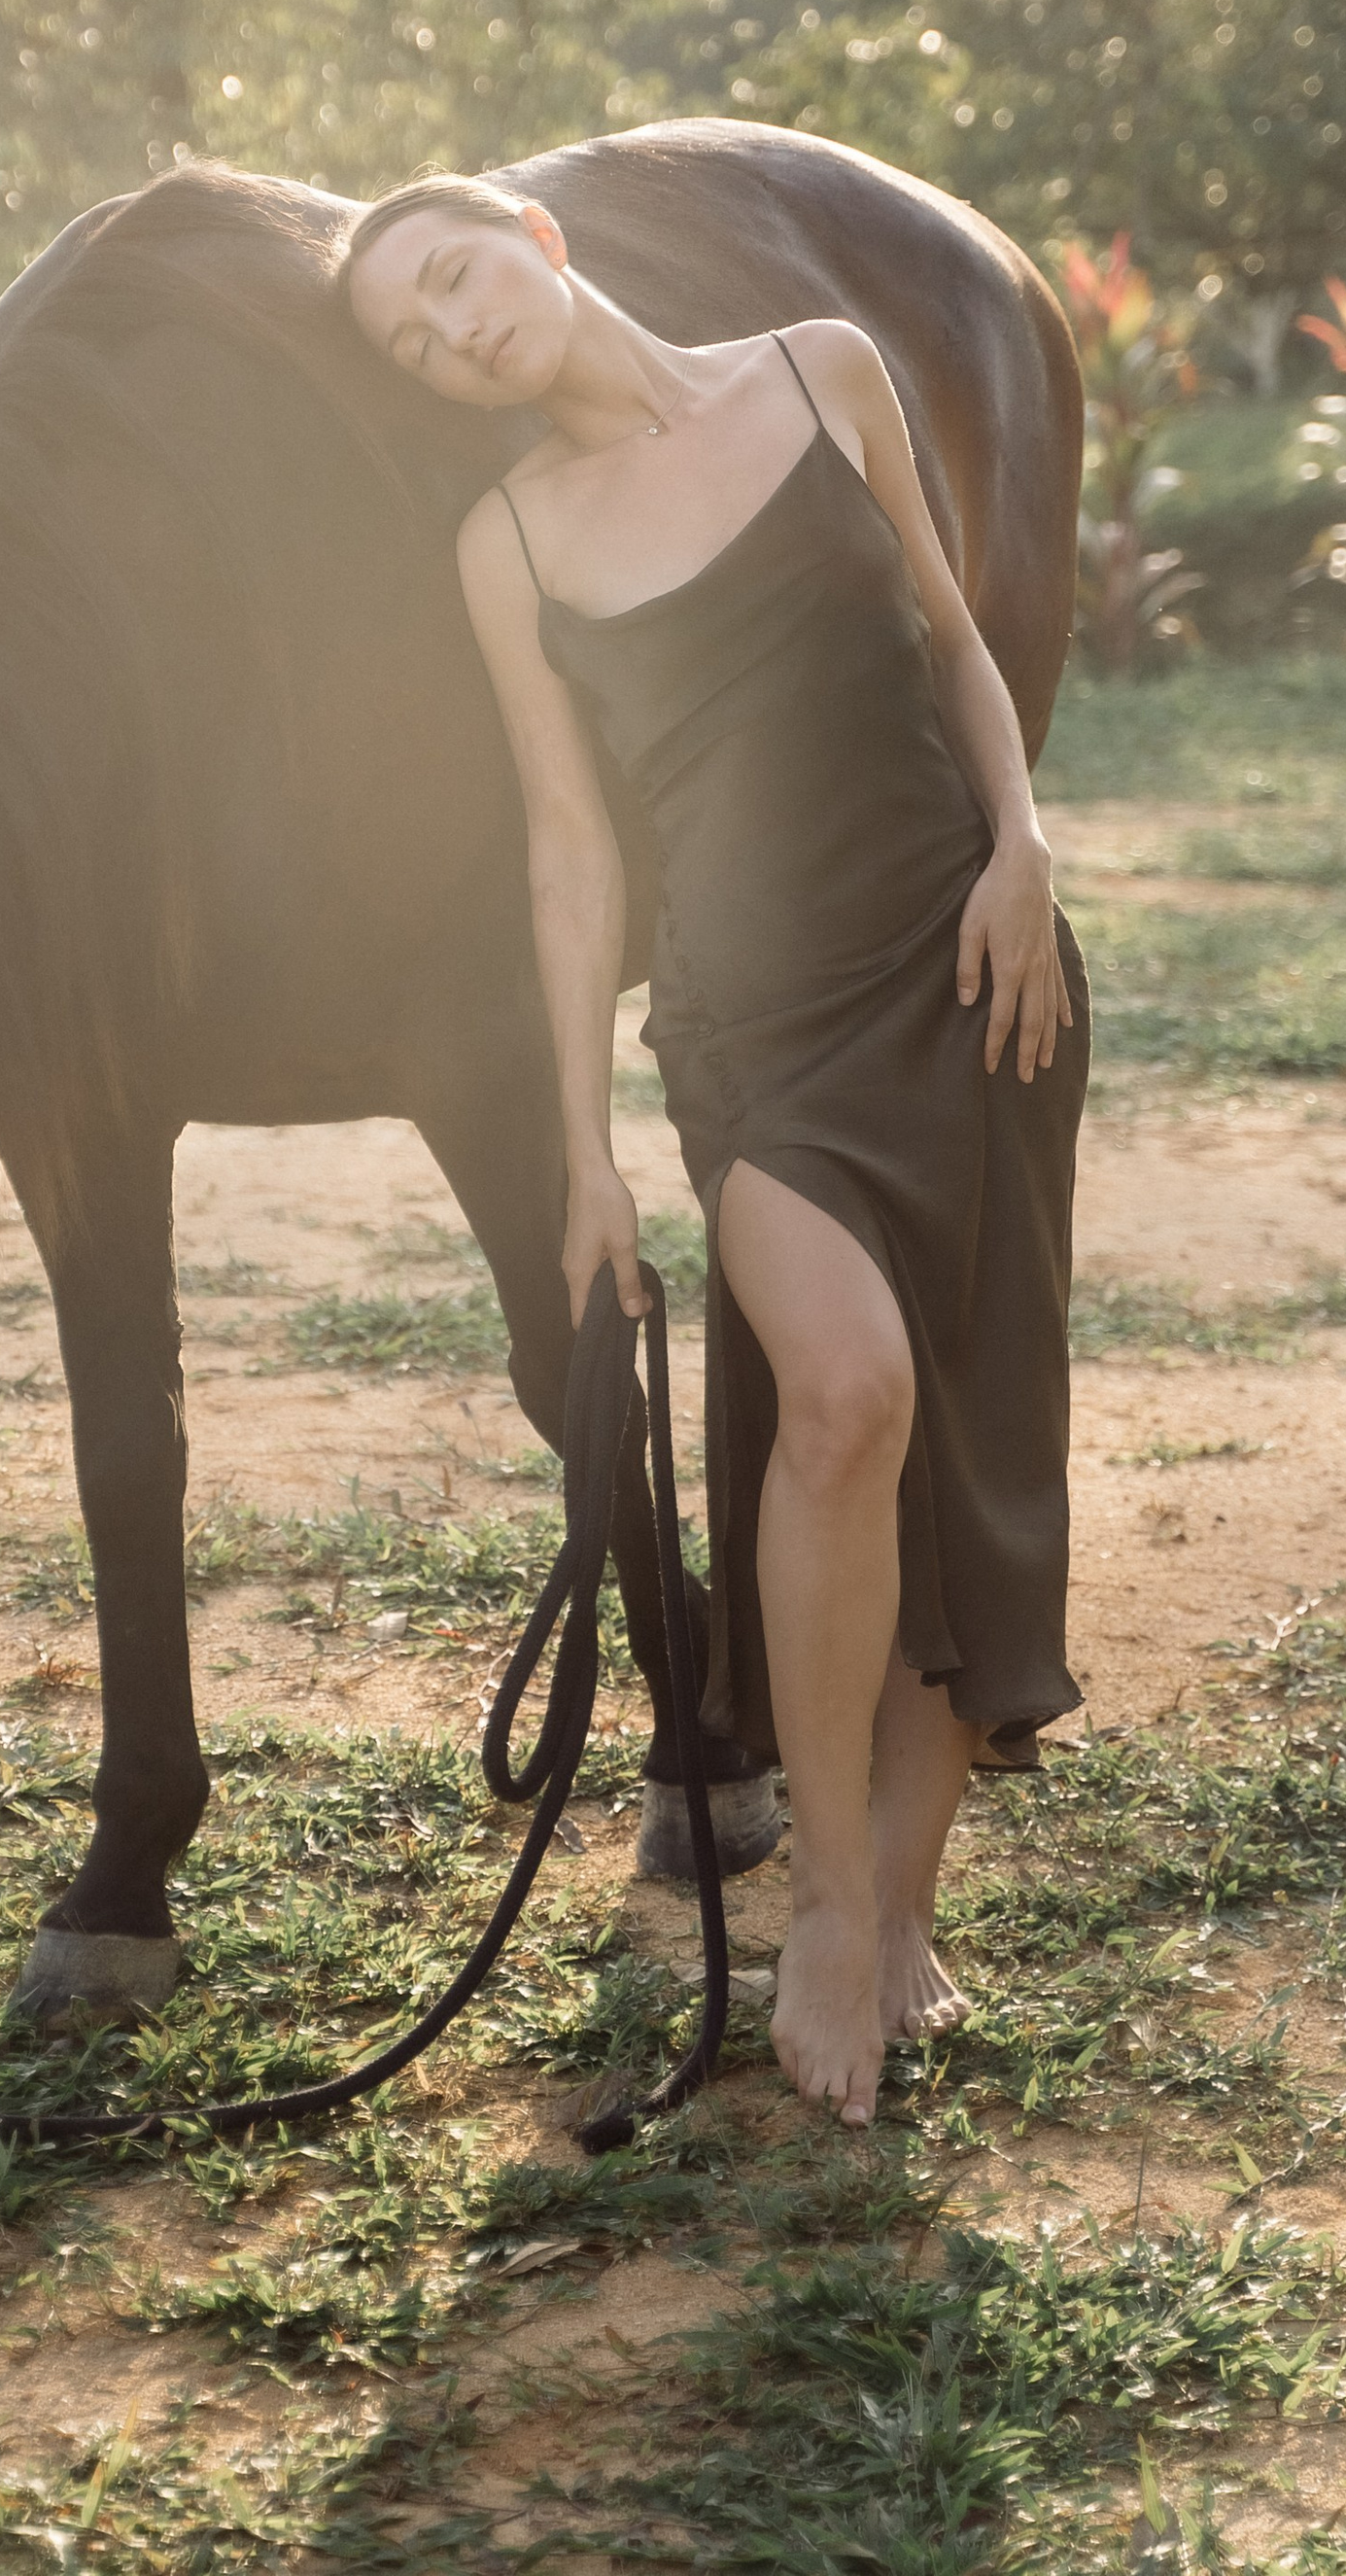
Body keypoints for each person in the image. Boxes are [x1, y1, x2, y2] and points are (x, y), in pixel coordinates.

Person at [339, 170, 1087, 2125]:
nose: (448, 332)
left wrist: (1024, 850)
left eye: (447, 278)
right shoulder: (508, 538)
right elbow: (569, 851)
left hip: (965, 971)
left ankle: (906, 1904)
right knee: (841, 1399)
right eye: (410, 341)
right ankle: (829, 1907)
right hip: (757, 1033)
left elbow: (949, 643)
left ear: (531, 236)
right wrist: (581, 1150)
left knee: (960, 1445)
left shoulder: (824, 370)